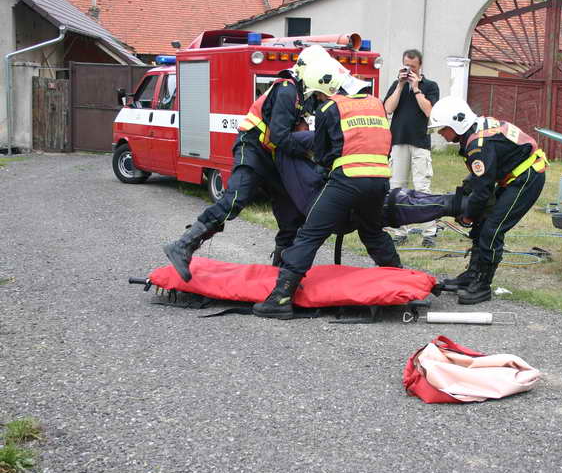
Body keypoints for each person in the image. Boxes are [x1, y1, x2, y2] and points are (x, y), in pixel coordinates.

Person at [253, 58, 401, 319]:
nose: (318, 99)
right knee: (373, 233)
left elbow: (322, 155)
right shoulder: (375, 103)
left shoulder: (329, 108)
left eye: (318, 94)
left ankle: (280, 298)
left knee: (309, 234)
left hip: (347, 181)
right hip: (379, 181)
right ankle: (401, 283)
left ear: (326, 88)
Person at [163, 48, 320, 282]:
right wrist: (309, 148)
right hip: (253, 147)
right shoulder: (287, 90)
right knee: (235, 199)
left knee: (291, 211)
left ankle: (283, 273)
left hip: (271, 156)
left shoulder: (301, 95)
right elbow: (280, 136)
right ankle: (183, 245)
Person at [427, 96, 548, 305]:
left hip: (526, 178)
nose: (440, 133)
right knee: (482, 223)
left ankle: (482, 285)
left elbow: (483, 191)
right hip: (513, 176)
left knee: (492, 229)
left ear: (457, 123)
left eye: (443, 128)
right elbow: (481, 180)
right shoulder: (476, 131)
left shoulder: (478, 145)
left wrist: (467, 216)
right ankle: (472, 276)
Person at [383, 49, 440, 247]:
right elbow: (387, 109)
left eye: (413, 67)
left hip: (420, 142)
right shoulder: (396, 85)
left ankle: (429, 232)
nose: (409, 70)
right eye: (406, 66)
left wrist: (416, 88)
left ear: (420, 66)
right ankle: (399, 232)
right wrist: (400, 85)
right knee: (396, 188)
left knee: (422, 188)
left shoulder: (430, 86)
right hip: (398, 141)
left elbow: (430, 111)